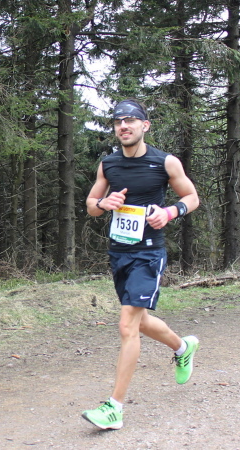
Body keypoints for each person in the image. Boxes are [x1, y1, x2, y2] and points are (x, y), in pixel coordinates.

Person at [82, 99, 200, 430]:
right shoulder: (108, 165)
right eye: (118, 121)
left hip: (149, 254)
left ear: (144, 125)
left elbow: (192, 197)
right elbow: (91, 205)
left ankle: (114, 408)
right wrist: (104, 203)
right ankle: (182, 347)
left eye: (131, 120)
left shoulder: (165, 162)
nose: (124, 126)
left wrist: (170, 212)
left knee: (127, 326)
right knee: (141, 321)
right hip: (119, 252)